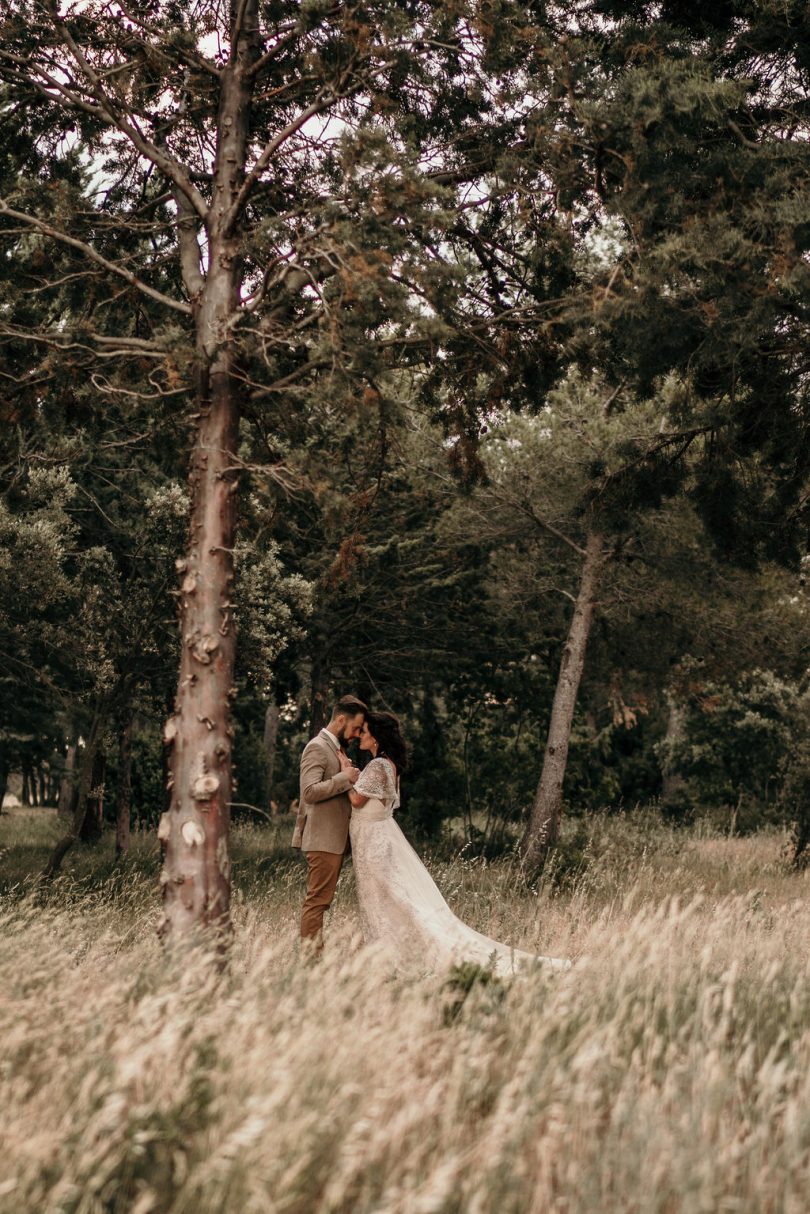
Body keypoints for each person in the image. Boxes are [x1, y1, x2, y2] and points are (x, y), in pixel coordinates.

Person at [349, 711, 570, 974]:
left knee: (388, 897)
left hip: (374, 840)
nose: (360, 736)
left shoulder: (377, 766)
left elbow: (356, 800)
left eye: (364, 731)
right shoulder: (388, 764)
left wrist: (345, 775)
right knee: (391, 897)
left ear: (376, 736)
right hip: (379, 836)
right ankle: (386, 953)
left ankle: (397, 955)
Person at [292, 694, 367, 950]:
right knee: (317, 902)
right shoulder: (317, 747)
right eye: (356, 728)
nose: (357, 734)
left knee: (322, 901)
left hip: (334, 839)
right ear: (342, 719)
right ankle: (311, 964)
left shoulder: (337, 748)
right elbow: (309, 792)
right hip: (322, 838)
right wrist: (345, 778)